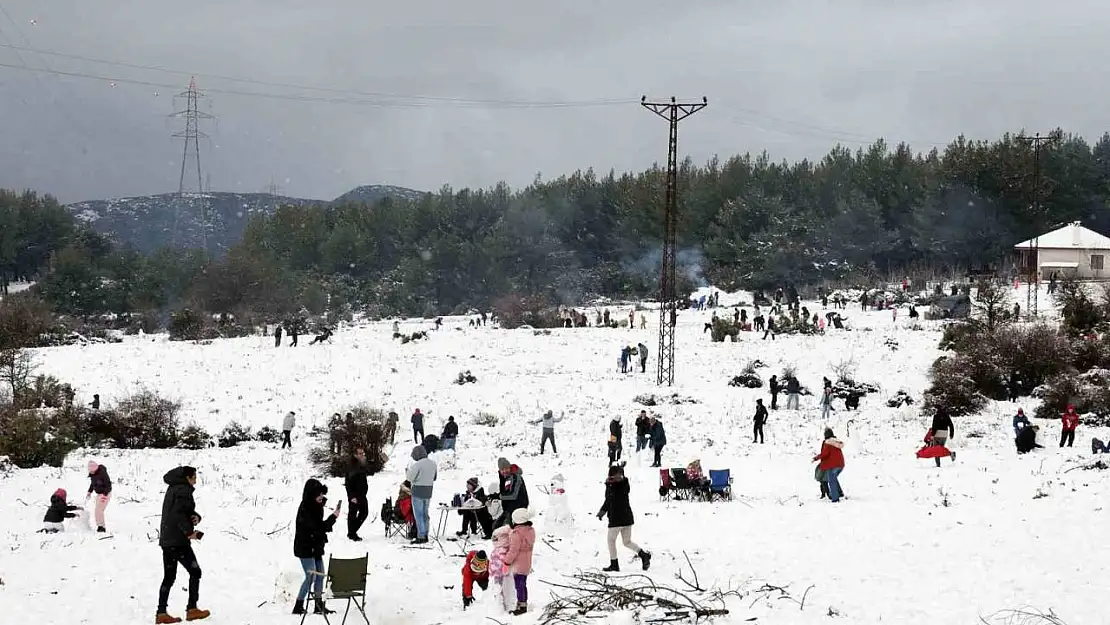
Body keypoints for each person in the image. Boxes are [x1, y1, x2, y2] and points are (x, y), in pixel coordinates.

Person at [156, 466, 209, 624]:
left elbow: (183, 511)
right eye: (194, 477)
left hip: (167, 539)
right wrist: (189, 533)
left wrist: (195, 517)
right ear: (187, 478)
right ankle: (192, 609)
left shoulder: (174, 488)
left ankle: (161, 613)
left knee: (169, 577)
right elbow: (179, 514)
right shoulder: (184, 490)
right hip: (178, 541)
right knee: (195, 572)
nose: (196, 480)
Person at [293, 478, 340, 615]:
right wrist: (333, 518)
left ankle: (318, 605)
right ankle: (298, 605)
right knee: (311, 576)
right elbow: (317, 528)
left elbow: (319, 527)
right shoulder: (305, 510)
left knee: (320, 576)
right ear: (311, 495)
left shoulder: (316, 506)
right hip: (305, 548)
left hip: (316, 546)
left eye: (322, 494)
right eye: (318, 495)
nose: (321, 497)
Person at [597, 465, 652, 572]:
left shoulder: (620, 485)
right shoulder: (616, 485)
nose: (617, 478)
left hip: (617, 518)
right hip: (627, 518)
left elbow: (612, 497)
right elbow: (608, 500)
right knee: (627, 541)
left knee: (611, 540)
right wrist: (602, 511)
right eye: (615, 475)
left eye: (619, 475)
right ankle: (643, 555)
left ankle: (614, 564)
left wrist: (613, 482)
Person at [504, 508, 536, 616]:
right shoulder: (530, 530)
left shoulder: (516, 534)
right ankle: (523, 603)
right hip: (527, 563)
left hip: (518, 564)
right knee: (523, 584)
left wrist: (507, 561)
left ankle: (521, 606)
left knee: (519, 585)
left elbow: (513, 550)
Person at [406, 445, 437, 544]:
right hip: (428, 491)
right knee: (425, 514)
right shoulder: (433, 463)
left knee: (418, 515)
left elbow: (410, 478)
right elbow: (435, 477)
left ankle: (421, 536)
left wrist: (407, 471)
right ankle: (426, 534)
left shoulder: (417, 465)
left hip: (418, 491)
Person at [493, 458, 529, 529]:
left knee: (504, 528)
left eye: (506, 468)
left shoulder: (516, 477)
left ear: (509, 467)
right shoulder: (506, 478)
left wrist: (499, 496)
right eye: (502, 469)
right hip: (510, 508)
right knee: (497, 527)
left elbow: (513, 495)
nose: (504, 471)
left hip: (518, 507)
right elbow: (504, 492)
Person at [813, 429, 845, 503]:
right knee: (834, 479)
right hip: (841, 465)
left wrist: (816, 458)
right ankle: (840, 493)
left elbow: (824, 454)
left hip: (832, 465)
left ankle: (835, 498)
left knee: (831, 481)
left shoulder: (827, 442)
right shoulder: (836, 442)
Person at [344, 448, 369, 541]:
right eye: (360, 453)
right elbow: (348, 484)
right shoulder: (352, 466)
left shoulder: (361, 464)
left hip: (362, 494)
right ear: (355, 455)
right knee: (353, 514)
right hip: (354, 495)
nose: (362, 455)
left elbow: (370, 468)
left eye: (363, 453)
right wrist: (351, 496)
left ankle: (352, 531)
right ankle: (352, 533)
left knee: (364, 513)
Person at [489, 526, 515, 611]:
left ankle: (501, 605)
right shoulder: (500, 549)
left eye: (495, 540)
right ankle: (499, 604)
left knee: (501, 589)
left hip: (501, 573)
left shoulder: (502, 550)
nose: (494, 542)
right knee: (499, 589)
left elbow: (503, 561)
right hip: (498, 573)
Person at [86, 461, 112, 533]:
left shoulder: (102, 474)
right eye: (90, 471)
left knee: (99, 510)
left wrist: (105, 495)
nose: (90, 472)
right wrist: (89, 492)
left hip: (105, 493)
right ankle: (100, 526)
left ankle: (102, 527)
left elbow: (108, 485)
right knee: (97, 510)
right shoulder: (93, 474)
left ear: (95, 469)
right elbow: (93, 484)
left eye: (91, 471)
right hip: (99, 494)